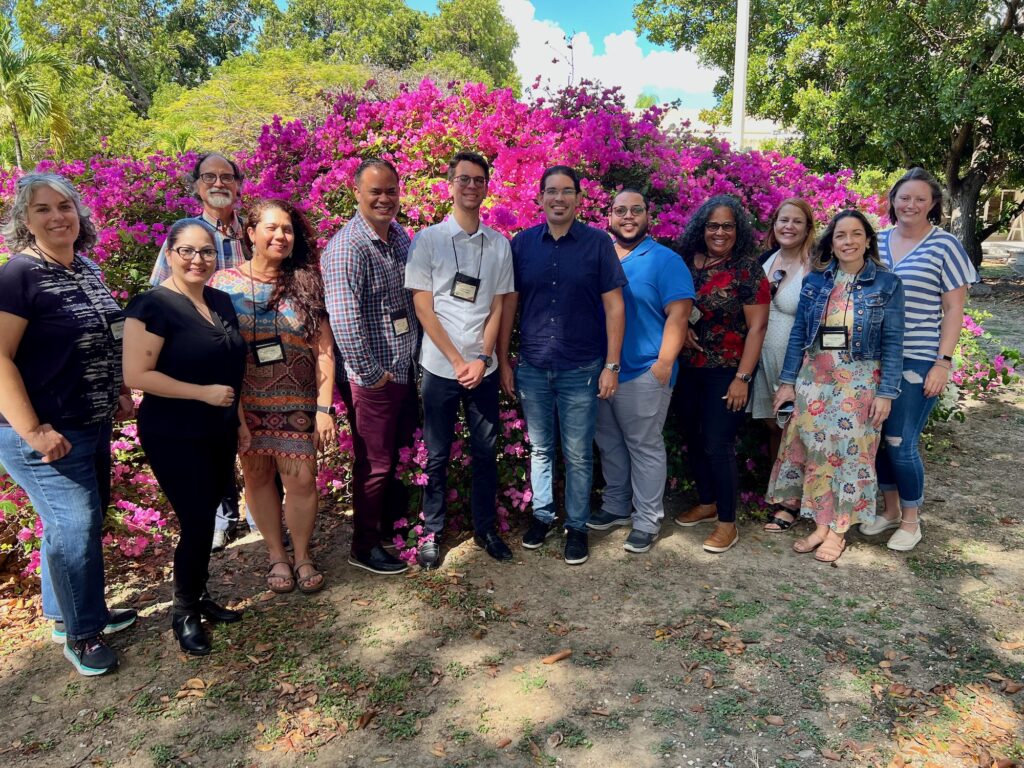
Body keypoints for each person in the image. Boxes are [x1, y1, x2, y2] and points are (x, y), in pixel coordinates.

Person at [0, 173, 137, 676]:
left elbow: (106, 335)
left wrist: (119, 390)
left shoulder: (86, 267)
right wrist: (34, 429)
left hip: (90, 421)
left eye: (65, 206)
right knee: (75, 527)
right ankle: (82, 634)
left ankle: (67, 613)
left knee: (72, 525)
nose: (58, 216)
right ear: (24, 220)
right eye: (43, 209)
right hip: (42, 431)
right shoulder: (19, 275)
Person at [123, 218, 248, 655]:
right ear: (170, 254)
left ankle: (199, 594)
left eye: (207, 252)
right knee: (196, 521)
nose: (198, 259)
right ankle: (184, 612)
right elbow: (137, 374)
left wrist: (240, 421)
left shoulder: (219, 300)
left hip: (219, 427)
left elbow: (233, 368)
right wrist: (202, 394)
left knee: (208, 511)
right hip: (174, 431)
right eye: (188, 251)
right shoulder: (152, 305)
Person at [497, 165, 627, 566]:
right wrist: (503, 360)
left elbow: (614, 306)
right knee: (540, 449)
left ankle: (577, 527)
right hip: (533, 367)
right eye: (551, 191)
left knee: (578, 453)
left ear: (578, 199)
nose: (558, 198)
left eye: (566, 191)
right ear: (539, 198)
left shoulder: (597, 244)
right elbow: (508, 305)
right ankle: (542, 516)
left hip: (582, 368)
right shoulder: (521, 244)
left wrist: (612, 365)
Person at [210, 198, 336, 592]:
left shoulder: (306, 282)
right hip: (246, 405)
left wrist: (323, 407)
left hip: (297, 402)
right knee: (258, 477)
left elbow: (324, 350)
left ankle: (302, 556)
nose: (281, 236)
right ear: (250, 233)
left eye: (287, 229)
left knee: (301, 481)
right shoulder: (221, 285)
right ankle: (276, 557)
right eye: (271, 228)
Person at [767, 210, 905, 563]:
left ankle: (838, 530)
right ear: (832, 242)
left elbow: (893, 342)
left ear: (868, 240)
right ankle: (820, 524)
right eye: (841, 236)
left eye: (856, 234)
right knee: (815, 451)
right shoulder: (817, 280)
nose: (848, 242)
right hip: (815, 378)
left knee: (851, 453)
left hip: (859, 381)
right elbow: (799, 333)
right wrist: (787, 383)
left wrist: (887, 392)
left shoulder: (887, 284)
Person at [404, 151, 515, 569]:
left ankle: (484, 528)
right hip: (440, 367)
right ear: (450, 184)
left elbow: (498, 307)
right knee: (436, 453)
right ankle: (431, 533)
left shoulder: (499, 244)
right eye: (464, 179)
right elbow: (422, 305)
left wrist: (483, 357)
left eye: (479, 180)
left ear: (487, 188)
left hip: (481, 369)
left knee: (486, 451)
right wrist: (456, 360)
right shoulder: (428, 240)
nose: (471, 186)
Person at [864, 168, 976, 551]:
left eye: (919, 199)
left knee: (900, 441)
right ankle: (891, 511)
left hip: (918, 357)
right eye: (904, 197)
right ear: (893, 201)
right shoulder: (875, 241)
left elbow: (954, 308)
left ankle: (912, 521)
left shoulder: (944, 246)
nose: (910, 204)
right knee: (876, 439)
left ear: (933, 204)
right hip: (870, 359)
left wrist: (942, 362)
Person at [150, 152, 251, 551]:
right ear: (197, 185)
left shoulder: (250, 230)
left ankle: (258, 512)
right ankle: (221, 518)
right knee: (211, 433)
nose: (219, 183)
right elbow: (162, 292)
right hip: (200, 349)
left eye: (227, 176)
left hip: (245, 346)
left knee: (243, 431)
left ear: (238, 184)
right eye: (210, 176)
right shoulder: (186, 234)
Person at [323, 157, 418, 575]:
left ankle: (387, 528)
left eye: (391, 190)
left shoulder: (399, 235)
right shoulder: (347, 248)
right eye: (375, 191)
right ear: (356, 193)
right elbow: (344, 320)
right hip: (374, 378)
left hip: (404, 368)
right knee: (374, 463)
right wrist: (372, 373)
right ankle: (364, 545)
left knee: (394, 456)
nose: (385, 199)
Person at [589, 189, 694, 553]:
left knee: (644, 446)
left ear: (649, 215)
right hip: (601, 371)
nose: (628, 216)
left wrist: (662, 365)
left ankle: (647, 519)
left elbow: (679, 315)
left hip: (644, 373)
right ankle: (617, 507)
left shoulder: (665, 260)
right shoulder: (599, 256)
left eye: (636, 210)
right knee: (610, 444)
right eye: (621, 211)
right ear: (610, 216)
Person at [671, 195, 769, 554]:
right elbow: (671, 306)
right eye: (713, 225)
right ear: (702, 227)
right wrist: (681, 329)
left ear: (738, 229)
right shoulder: (687, 263)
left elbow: (757, 328)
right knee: (693, 438)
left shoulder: (747, 269)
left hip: (727, 372)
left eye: (728, 225)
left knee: (718, 443)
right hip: (687, 368)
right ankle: (708, 501)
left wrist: (742, 378)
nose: (720, 232)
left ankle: (728, 523)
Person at [752, 198, 817, 532]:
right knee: (774, 427)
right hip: (763, 359)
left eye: (796, 221)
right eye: (782, 220)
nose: (788, 227)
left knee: (797, 428)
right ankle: (782, 493)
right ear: (773, 224)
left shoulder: (816, 266)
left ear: (808, 228)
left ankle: (796, 502)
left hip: (797, 363)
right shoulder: (766, 260)